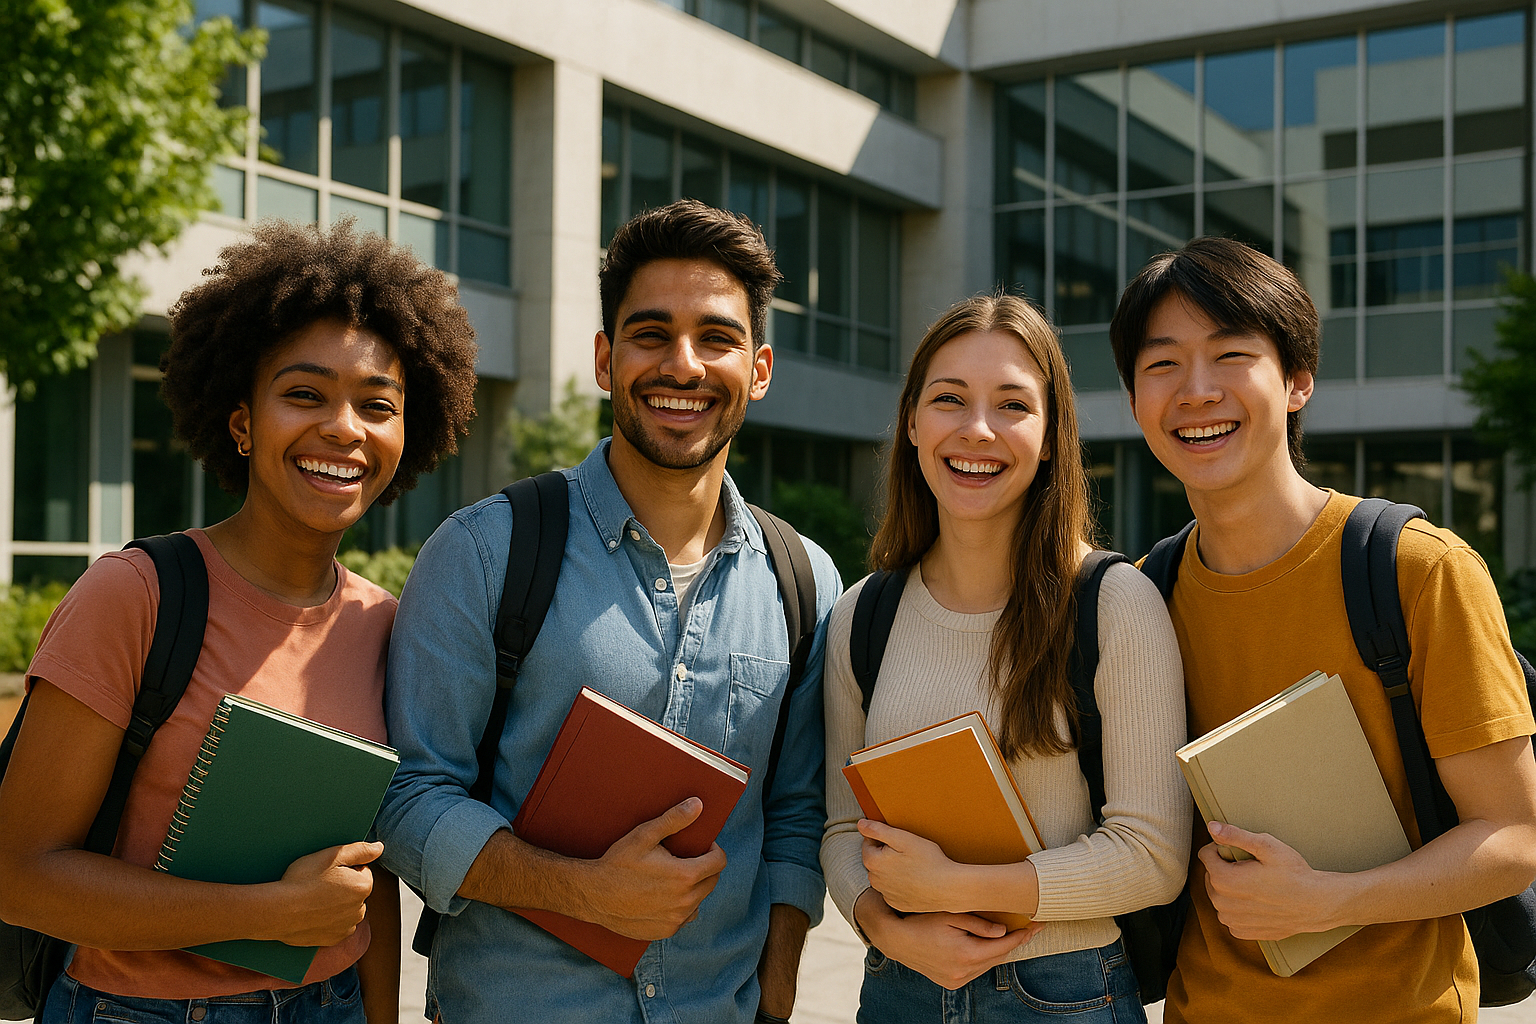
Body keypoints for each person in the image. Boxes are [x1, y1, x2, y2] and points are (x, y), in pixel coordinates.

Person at [0, 218, 480, 1024]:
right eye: (304, 394)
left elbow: (372, 871)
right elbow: (18, 873)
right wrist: (262, 914)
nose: (344, 428)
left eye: (378, 404)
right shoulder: (135, 597)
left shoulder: (390, 625)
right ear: (242, 422)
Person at [375, 198, 841, 1024]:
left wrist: (776, 994)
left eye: (718, 338)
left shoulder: (806, 581)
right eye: (651, 334)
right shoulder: (485, 553)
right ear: (605, 357)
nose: (684, 365)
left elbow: (795, 814)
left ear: (760, 369)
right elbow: (410, 798)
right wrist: (582, 892)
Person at [1108, 236, 1536, 1022]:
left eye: (1231, 355)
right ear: (1135, 400)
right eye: (1161, 363)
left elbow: (1512, 839)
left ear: (1298, 381)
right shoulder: (1141, 597)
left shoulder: (1417, 571)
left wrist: (1326, 901)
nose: (1196, 391)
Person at [820, 293, 1190, 1022]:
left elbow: (1153, 855)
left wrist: (957, 885)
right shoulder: (861, 615)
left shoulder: (1115, 604)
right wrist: (885, 924)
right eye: (949, 399)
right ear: (913, 424)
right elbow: (838, 830)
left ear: (1051, 435)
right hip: (898, 987)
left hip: (1066, 995)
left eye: (1013, 405)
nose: (977, 430)